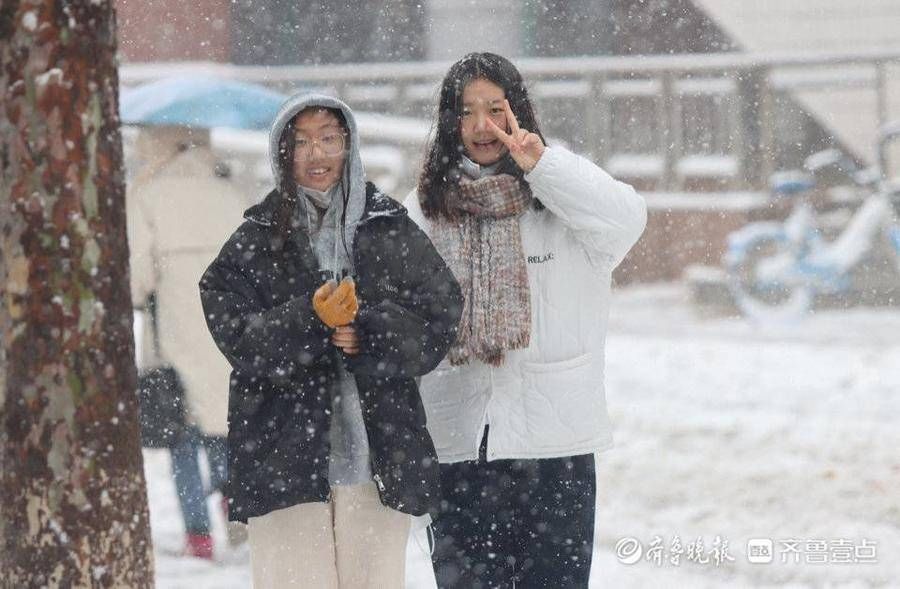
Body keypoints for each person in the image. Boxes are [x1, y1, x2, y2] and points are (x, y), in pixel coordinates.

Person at [404, 52, 648, 588]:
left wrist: (543, 165)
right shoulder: (424, 212)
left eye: (495, 107)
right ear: (450, 122)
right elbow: (400, 322)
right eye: (467, 111)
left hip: (553, 450)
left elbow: (627, 219)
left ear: (519, 113)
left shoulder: (558, 202)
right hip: (459, 447)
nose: (483, 124)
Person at [199, 93, 463, 588]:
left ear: (349, 145)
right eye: (300, 142)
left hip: (379, 450)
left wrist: (367, 329)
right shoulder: (258, 236)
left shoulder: (387, 225)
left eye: (328, 139)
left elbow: (439, 313)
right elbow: (235, 331)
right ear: (282, 152)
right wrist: (310, 319)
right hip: (284, 453)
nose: (316, 155)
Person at [127, 126, 247, 558]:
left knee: (181, 431)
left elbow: (137, 280)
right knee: (224, 423)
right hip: (225, 328)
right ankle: (233, 501)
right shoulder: (228, 189)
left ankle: (198, 534)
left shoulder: (147, 194)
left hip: (175, 329)